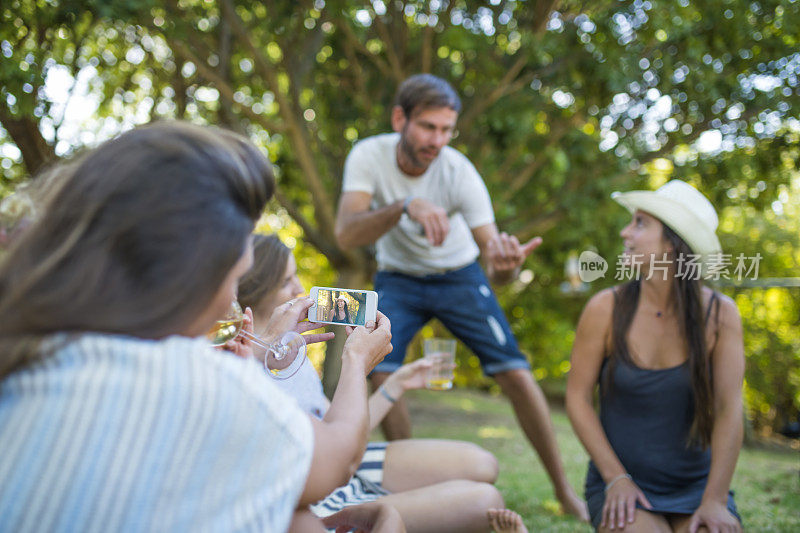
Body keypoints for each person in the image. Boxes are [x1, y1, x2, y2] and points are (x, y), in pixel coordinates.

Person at [0, 122, 397, 533]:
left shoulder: (32, 345)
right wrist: (356, 359)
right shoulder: (199, 383)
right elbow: (338, 462)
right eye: (234, 277)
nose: (232, 300)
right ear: (192, 275)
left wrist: (260, 354)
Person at [334, 73, 587, 520]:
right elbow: (347, 232)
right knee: (379, 365)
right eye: (429, 127)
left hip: (460, 275)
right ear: (400, 119)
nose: (439, 140)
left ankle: (565, 492)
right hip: (399, 277)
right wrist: (405, 205)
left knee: (516, 371)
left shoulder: (460, 172)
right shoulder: (368, 156)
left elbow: (495, 259)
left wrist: (505, 269)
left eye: (447, 129)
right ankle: (408, 470)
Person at [237, 234, 509, 533]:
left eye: (296, 276)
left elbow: (341, 426)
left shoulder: (290, 347)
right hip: (319, 485)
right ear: (255, 287)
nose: (300, 289)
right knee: (486, 500)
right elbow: (336, 456)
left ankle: (400, 499)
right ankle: (382, 506)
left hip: (345, 460)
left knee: (485, 465)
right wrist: (356, 361)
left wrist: (397, 384)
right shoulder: (237, 365)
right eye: (286, 281)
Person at [565, 180, 744, 532]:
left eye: (640, 223)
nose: (624, 232)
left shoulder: (721, 315)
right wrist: (616, 478)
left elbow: (728, 409)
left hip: (699, 488)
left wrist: (715, 499)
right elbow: (577, 397)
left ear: (674, 245)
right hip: (621, 484)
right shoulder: (605, 308)